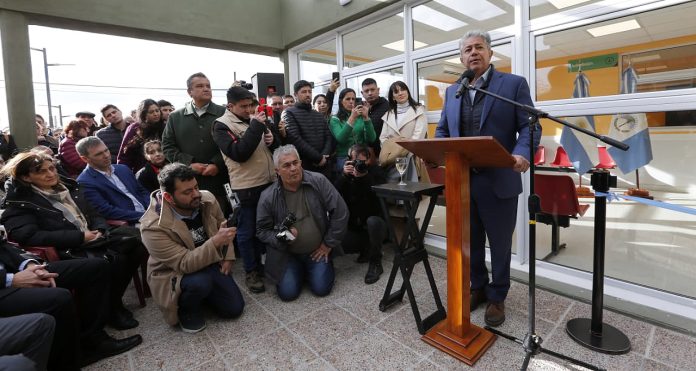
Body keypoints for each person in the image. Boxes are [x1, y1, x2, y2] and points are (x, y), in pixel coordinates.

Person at [435, 30, 541, 327]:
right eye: (467, 49)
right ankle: (478, 286)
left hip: (499, 180)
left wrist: (521, 155)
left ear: (491, 53)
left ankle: (498, 296)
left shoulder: (513, 84)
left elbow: (531, 127)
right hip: (463, 181)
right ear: (461, 57)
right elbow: (443, 130)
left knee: (499, 243)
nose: (473, 53)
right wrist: (439, 150)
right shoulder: (452, 91)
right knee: (471, 241)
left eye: (479, 47)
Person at [0, 151, 145, 331]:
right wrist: (80, 237)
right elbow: (28, 236)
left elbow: (94, 214)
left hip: (95, 238)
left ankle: (112, 303)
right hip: (68, 249)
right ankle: (112, 309)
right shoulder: (20, 202)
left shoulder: (68, 187)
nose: (51, 174)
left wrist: (100, 228)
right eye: (42, 172)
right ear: (26, 177)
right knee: (116, 260)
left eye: (52, 168)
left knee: (137, 246)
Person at [0, 239, 143, 370]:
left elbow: (4, 247)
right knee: (59, 298)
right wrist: (11, 280)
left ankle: (93, 339)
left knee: (96, 267)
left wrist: (31, 264)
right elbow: (26, 234)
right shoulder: (17, 211)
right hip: (5, 284)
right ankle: (70, 360)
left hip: (14, 272)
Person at [140, 163, 244, 333]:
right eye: (187, 192)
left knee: (234, 309)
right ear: (168, 197)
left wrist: (228, 256)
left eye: (196, 187)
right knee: (200, 282)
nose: (196, 194)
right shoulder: (152, 227)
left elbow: (223, 228)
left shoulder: (207, 198)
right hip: (175, 273)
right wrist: (216, 242)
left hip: (208, 261)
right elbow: (184, 263)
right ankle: (187, 310)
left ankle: (205, 294)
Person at [256, 145, 348, 301]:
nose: (293, 168)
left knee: (321, 289)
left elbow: (340, 212)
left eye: (295, 162)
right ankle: (300, 270)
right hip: (287, 254)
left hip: (317, 250)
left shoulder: (318, 181)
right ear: (277, 171)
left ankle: (315, 268)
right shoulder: (268, 196)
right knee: (288, 294)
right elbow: (262, 231)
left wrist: (328, 244)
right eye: (286, 165)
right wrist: (284, 236)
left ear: (301, 163)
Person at [212, 86, 279, 294]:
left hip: (269, 181)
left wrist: (272, 139)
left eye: (252, 105)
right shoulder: (221, 125)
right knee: (247, 231)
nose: (250, 110)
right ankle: (251, 271)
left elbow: (272, 146)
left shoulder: (256, 119)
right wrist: (257, 127)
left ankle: (267, 264)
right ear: (230, 106)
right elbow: (239, 152)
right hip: (247, 187)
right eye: (244, 106)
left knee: (268, 227)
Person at [162, 72, 229, 212]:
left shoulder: (224, 113)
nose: (206, 89)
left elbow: (232, 143)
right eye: (200, 86)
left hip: (219, 181)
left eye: (208, 86)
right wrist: (189, 164)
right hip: (186, 183)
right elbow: (168, 146)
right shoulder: (175, 117)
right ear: (189, 92)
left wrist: (217, 164)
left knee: (219, 220)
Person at [334, 144, 387, 284]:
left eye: (361, 162)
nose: (358, 165)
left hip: (375, 225)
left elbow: (380, 198)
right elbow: (333, 196)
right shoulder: (346, 174)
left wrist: (364, 177)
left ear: (368, 159)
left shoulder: (377, 172)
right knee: (337, 243)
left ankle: (376, 261)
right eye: (354, 161)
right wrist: (344, 176)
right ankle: (365, 248)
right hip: (354, 226)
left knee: (373, 222)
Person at [76, 136, 150, 224]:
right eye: (99, 154)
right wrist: (144, 216)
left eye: (106, 150)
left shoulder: (123, 169)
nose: (106, 155)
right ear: (85, 159)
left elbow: (142, 191)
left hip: (150, 214)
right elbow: (106, 210)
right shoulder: (84, 182)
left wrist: (152, 208)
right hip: (131, 223)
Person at [284, 80, 334, 178]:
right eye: (304, 92)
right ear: (295, 95)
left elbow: (328, 136)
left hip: (324, 164)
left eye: (309, 91)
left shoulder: (318, 114)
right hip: (305, 165)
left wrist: (324, 156)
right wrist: (318, 158)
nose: (308, 94)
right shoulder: (289, 113)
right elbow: (295, 139)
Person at [379, 81, 428, 182]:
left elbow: (419, 135)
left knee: (412, 189)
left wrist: (405, 152)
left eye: (403, 89)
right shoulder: (388, 114)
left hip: (412, 156)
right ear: (393, 97)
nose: (400, 93)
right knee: (394, 191)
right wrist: (392, 153)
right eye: (396, 92)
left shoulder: (419, 110)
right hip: (392, 159)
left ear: (408, 92)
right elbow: (383, 137)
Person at [329, 87, 376, 174]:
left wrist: (366, 118)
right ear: (341, 101)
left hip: (362, 157)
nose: (351, 101)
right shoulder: (335, 119)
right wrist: (352, 118)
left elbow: (371, 139)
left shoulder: (360, 117)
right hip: (344, 157)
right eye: (347, 99)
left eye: (353, 99)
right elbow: (341, 139)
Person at [118, 99, 165, 173]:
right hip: (143, 172)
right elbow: (124, 155)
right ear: (144, 114)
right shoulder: (135, 128)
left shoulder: (165, 127)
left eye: (157, 110)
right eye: (151, 112)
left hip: (165, 170)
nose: (156, 114)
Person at [361, 78, 390, 156]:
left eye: (372, 90)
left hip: (383, 154)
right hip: (364, 155)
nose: (370, 93)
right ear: (362, 93)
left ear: (378, 90)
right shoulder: (361, 108)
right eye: (366, 91)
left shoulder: (387, 107)